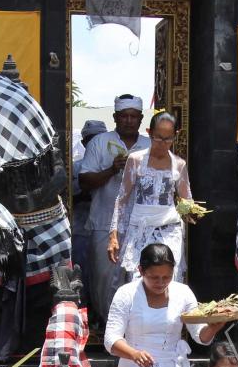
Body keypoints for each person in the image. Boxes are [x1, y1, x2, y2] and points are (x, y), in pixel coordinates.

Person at [80, 95, 151, 319]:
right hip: (104, 222)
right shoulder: (99, 143)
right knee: (104, 279)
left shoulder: (150, 145)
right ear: (115, 118)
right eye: (124, 116)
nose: (129, 121)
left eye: (133, 116)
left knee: (139, 277)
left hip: (141, 224)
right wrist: (112, 169)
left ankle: (134, 329)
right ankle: (108, 327)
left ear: (140, 119)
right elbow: (84, 182)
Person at [108, 111, 191, 282]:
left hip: (169, 228)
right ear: (149, 133)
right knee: (140, 276)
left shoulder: (179, 165)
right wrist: (114, 235)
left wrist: (190, 211)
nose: (162, 143)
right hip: (140, 227)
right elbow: (122, 199)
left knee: (169, 276)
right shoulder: (136, 160)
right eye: (158, 138)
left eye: (168, 139)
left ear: (175, 136)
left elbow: (186, 200)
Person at [71, 119, 108, 317]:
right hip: (81, 227)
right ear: (84, 142)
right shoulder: (76, 166)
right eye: (90, 139)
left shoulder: (115, 162)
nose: (94, 142)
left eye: (98, 138)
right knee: (82, 272)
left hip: (107, 226)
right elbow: (71, 195)